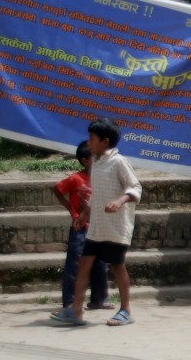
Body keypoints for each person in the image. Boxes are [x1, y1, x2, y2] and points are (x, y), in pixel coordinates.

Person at [52, 118, 142, 327]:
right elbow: (98, 193)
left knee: (117, 266)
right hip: (96, 227)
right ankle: (76, 310)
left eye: (92, 138)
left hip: (116, 227)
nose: (89, 142)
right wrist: (85, 213)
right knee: (84, 264)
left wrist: (120, 200)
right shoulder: (97, 163)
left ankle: (126, 310)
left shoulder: (119, 162)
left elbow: (136, 187)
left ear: (105, 141)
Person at [50, 141, 111, 317]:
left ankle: (99, 299)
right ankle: (69, 301)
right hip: (81, 227)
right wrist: (72, 210)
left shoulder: (102, 178)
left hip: (100, 227)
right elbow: (57, 189)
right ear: (85, 161)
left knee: (100, 264)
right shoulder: (76, 178)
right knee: (75, 264)